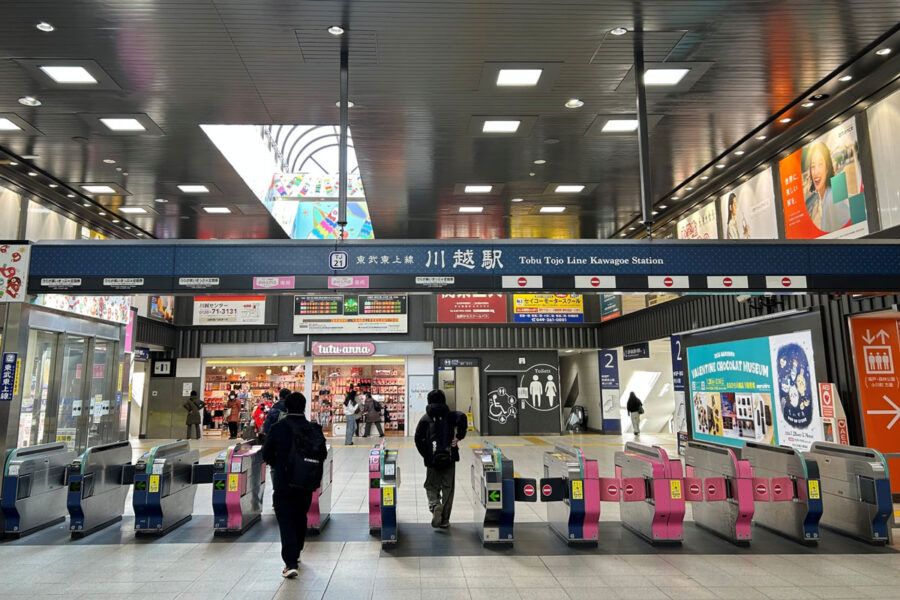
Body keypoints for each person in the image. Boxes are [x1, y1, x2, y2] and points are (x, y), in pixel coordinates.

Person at [262, 392, 327, 579]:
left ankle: (290, 562)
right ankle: (296, 551)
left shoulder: (278, 428)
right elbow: (321, 454)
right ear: (304, 406)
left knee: (286, 520)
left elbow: (267, 454)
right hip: (306, 482)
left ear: (287, 407)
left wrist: (279, 463)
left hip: (284, 482)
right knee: (300, 516)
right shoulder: (313, 428)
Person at [414, 389, 467, 529]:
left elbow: (417, 439)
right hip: (449, 458)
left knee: (431, 485)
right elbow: (463, 417)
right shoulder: (451, 415)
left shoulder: (425, 418)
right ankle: (444, 520)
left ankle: (435, 505)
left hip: (432, 460)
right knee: (448, 489)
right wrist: (458, 437)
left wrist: (426, 455)